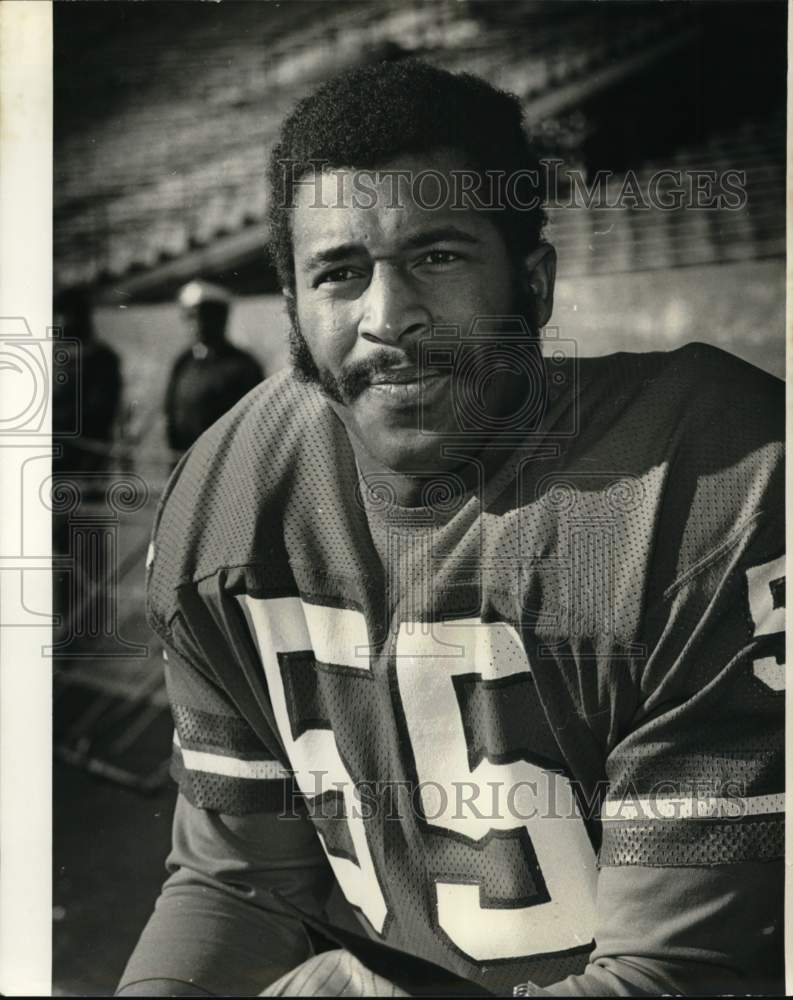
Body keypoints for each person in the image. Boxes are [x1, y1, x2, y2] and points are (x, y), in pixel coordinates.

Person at [119, 61, 784, 997]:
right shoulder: (229, 500)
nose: (388, 318)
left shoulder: (712, 480)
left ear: (535, 285)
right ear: (297, 320)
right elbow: (237, 885)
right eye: (340, 273)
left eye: (436, 256)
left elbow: (682, 975)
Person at [164, 280, 264, 455]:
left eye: (205, 316)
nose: (197, 324)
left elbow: (253, 426)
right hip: (183, 462)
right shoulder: (183, 362)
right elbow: (171, 413)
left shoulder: (243, 366)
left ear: (222, 319)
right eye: (190, 316)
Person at [52, 286, 123, 476]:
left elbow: (100, 410)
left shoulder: (102, 358)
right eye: (59, 315)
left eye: (68, 314)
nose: (62, 321)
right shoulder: (48, 357)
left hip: (86, 457)